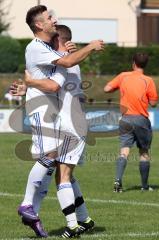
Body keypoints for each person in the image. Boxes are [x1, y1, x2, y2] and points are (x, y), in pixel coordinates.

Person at [12, 5, 103, 236]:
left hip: (69, 122)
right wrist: (86, 48)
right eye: (49, 18)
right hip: (52, 115)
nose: (53, 19)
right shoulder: (42, 50)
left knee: (58, 170)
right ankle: (37, 209)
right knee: (54, 164)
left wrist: (29, 84)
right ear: (40, 25)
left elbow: (54, 79)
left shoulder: (60, 58)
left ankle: (68, 221)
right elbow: (54, 79)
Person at [104, 52, 158, 193]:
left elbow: (107, 88)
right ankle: (145, 186)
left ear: (133, 63)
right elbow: (153, 103)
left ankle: (117, 180)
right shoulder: (148, 80)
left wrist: (119, 88)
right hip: (141, 120)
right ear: (145, 65)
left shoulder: (123, 76)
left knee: (124, 151)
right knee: (144, 152)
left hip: (126, 119)